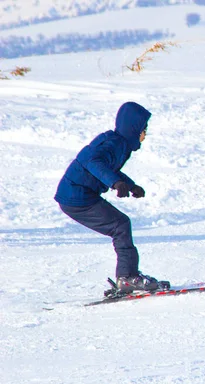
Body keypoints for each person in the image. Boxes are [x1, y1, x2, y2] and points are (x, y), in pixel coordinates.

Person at [54, 101, 164, 293]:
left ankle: (127, 276)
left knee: (120, 225)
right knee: (120, 225)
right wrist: (115, 182)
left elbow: (108, 168)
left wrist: (130, 185)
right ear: (133, 128)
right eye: (143, 129)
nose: (145, 134)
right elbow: (93, 162)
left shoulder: (119, 144)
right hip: (76, 197)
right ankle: (127, 277)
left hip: (80, 194)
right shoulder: (112, 144)